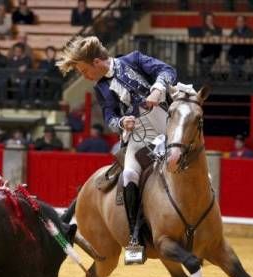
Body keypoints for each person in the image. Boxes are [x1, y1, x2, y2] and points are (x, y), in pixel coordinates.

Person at [57, 35, 176, 261]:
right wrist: (122, 122)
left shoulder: (135, 59)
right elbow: (110, 116)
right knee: (130, 174)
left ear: (97, 62)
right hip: (139, 136)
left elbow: (167, 71)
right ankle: (134, 239)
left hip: (166, 125)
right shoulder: (101, 88)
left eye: (84, 71)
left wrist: (157, 90)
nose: (84, 76)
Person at [227, 15, 253, 80]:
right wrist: (233, 38)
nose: (239, 23)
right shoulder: (234, 30)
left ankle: (236, 75)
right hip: (235, 50)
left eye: (241, 21)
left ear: (244, 22)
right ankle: (238, 74)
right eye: (238, 21)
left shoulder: (249, 30)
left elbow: (249, 37)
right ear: (236, 22)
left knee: (240, 58)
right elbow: (230, 38)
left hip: (246, 50)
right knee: (230, 56)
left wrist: (239, 38)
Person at [196, 13, 222, 77]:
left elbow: (219, 36)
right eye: (208, 19)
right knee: (199, 56)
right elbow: (201, 36)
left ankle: (207, 75)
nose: (209, 21)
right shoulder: (203, 28)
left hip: (215, 49)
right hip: (205, 48)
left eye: (211, 19)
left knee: (211, 58)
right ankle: (204, 75)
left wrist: (212, 29)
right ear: (205, 20)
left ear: (213, 20)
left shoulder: (218, 28)